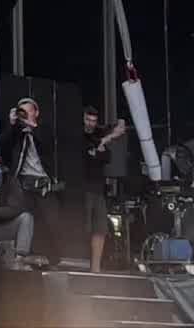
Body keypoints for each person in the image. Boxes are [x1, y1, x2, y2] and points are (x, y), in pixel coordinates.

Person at [81, 105, 128, 271]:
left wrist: (101, 145)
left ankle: (96, 267)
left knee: (100, 228)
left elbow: (106, 156)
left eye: (94, 121)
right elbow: (88, 155)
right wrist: (102, 144)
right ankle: (82, 263)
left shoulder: (97, 135)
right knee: (84, 228)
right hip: (82, 188)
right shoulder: (79, 136)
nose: (91, 124)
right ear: (83, 119)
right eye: (88, 120)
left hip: (98, 188)